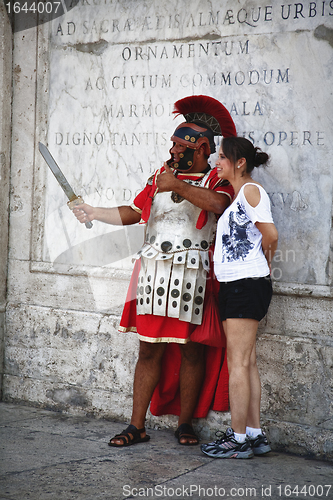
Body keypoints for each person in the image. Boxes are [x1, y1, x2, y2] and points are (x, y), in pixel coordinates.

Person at [73, 96, 237, 447]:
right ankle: (136, 425)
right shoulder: (159, 177)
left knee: (192, 350)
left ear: (203, 147)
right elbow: (135, 211)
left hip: (193, 273)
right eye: (173, 144)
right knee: (148, 349)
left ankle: (185, 425)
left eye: (181, 146)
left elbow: (219, 206)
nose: (174, 150)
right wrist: (94, 212)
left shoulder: (215, 179)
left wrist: (176, 185)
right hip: (153, 271)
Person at [200, 136, 278, 459]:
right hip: (240, 285)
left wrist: (263, 264)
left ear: (240, 163)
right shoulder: (239, 196)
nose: (216, 163)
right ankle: (255, 435)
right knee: (248, 362)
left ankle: (238, 438)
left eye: (221, 158)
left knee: (238, 363)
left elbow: (270, 234)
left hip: (245, 286)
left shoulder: (249, 190)